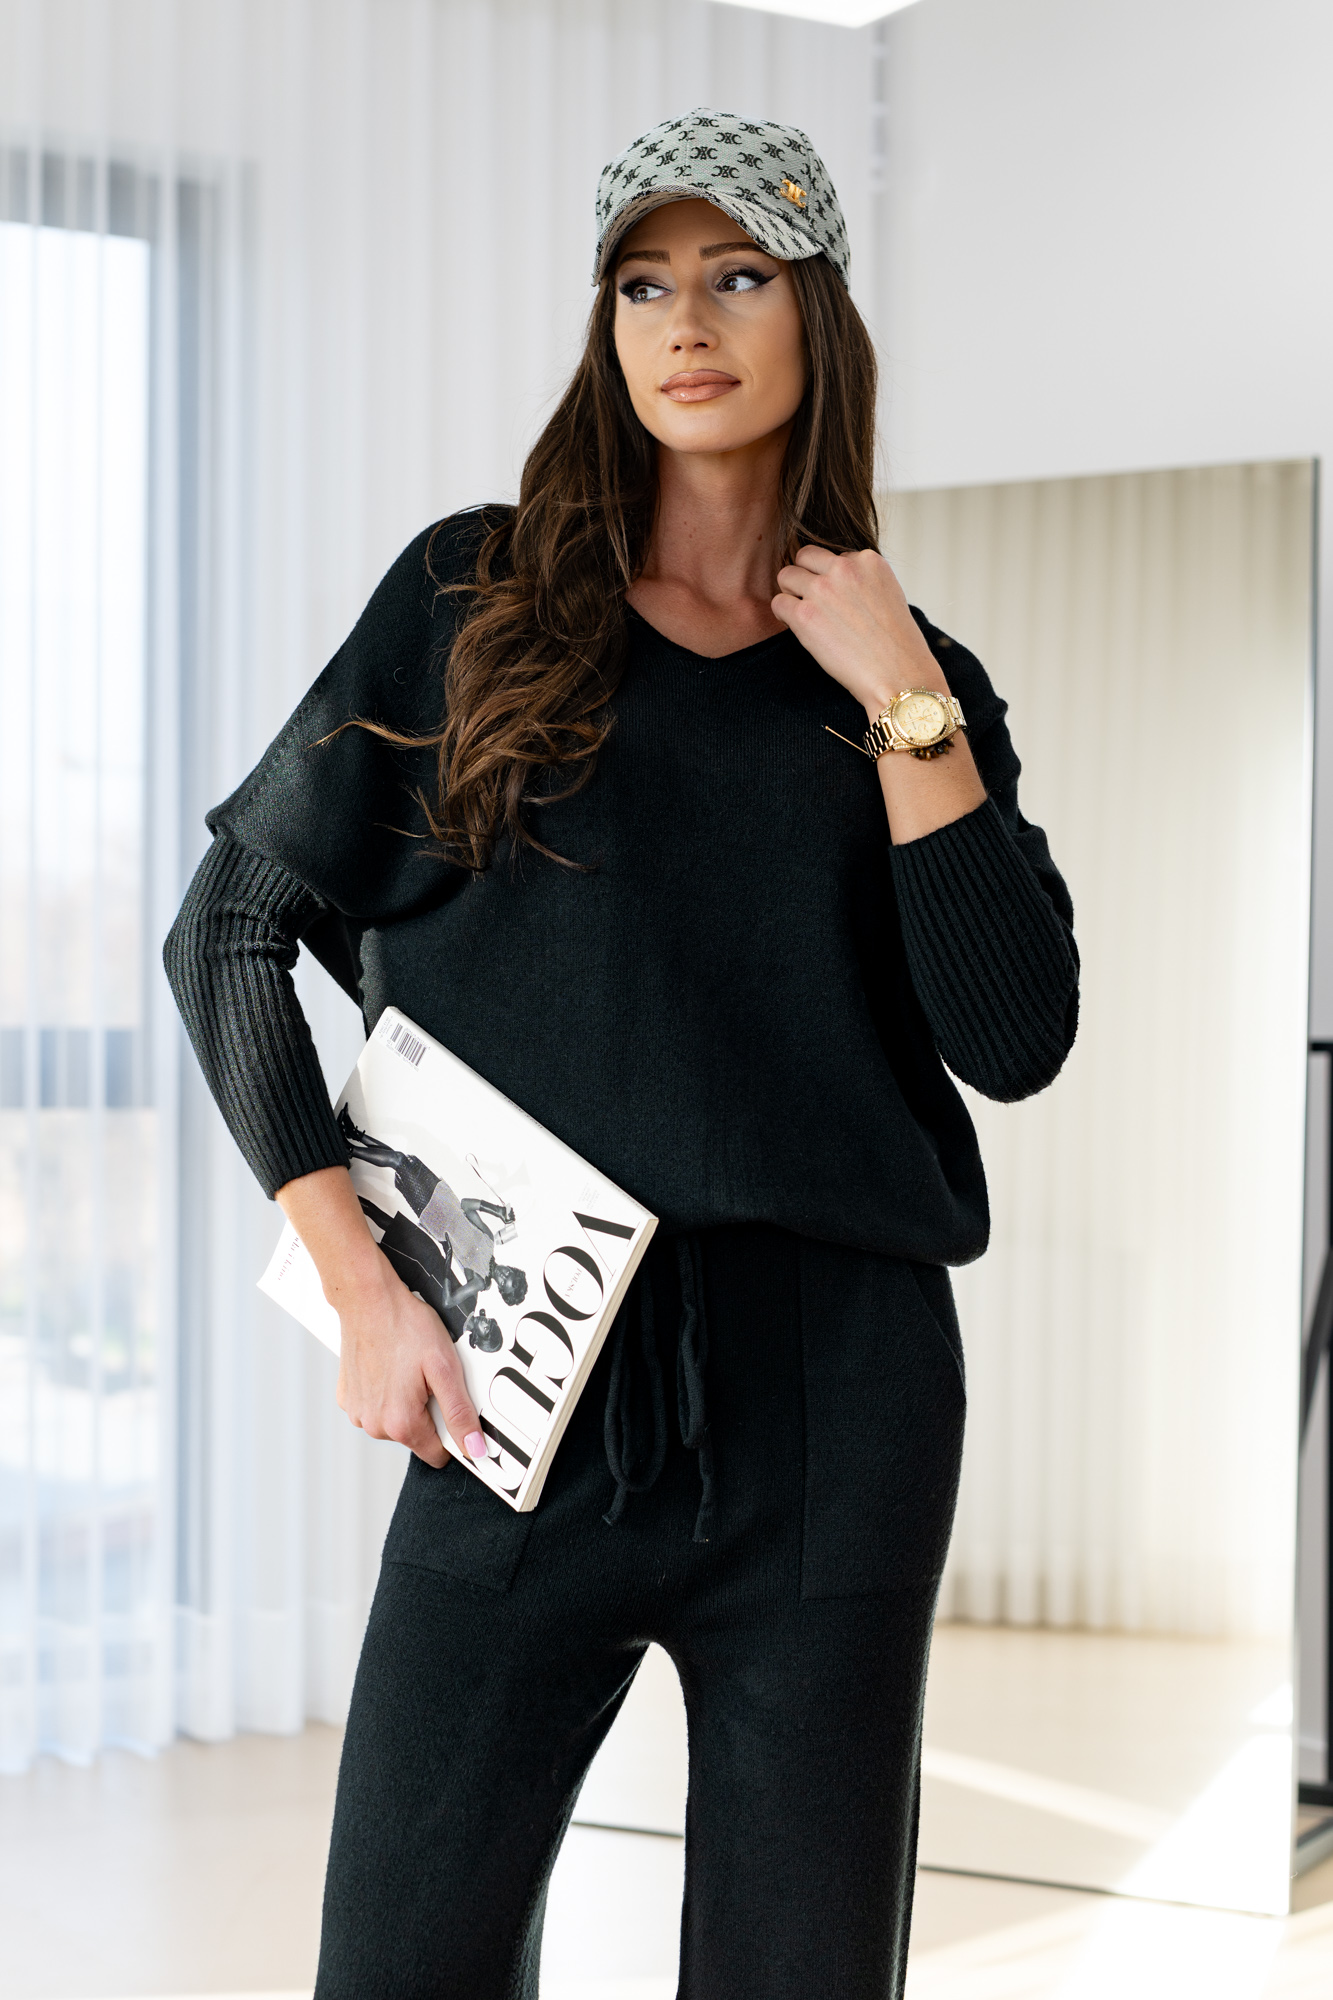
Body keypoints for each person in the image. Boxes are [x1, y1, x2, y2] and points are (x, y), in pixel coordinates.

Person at [164, 107, 1078, 2000]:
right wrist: (362, 1292)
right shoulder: (470, 601)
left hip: (838, 1396)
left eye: (737, 274)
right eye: (643, 283)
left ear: (816, 315)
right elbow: (230, 934)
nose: (687, 322)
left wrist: (903, 696)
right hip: (524, 1374)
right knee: (400, 1961)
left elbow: (1013, 1038)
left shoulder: (911, 681)